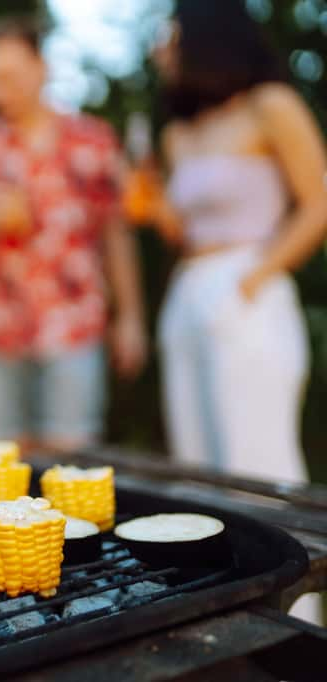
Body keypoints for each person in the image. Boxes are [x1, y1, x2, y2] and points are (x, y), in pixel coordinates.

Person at [143, 5, 327, 504]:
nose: (160, 48)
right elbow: (186, 233)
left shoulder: (271, 105)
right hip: (188, 290)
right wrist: (159, 212)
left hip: (249, 282)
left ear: (204, 37)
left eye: (171, 35)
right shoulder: (177, 132)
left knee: (257, 464)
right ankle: (229, 582)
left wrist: (255, 277)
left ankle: (298, 584)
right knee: (196, 468)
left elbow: (318, 205)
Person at [0, 17, 147, 452]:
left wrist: (130, 316)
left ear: (41, 67)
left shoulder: (93, 141)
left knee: (71, 457)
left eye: (8, 76)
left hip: (72, 322)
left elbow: (116, 232)